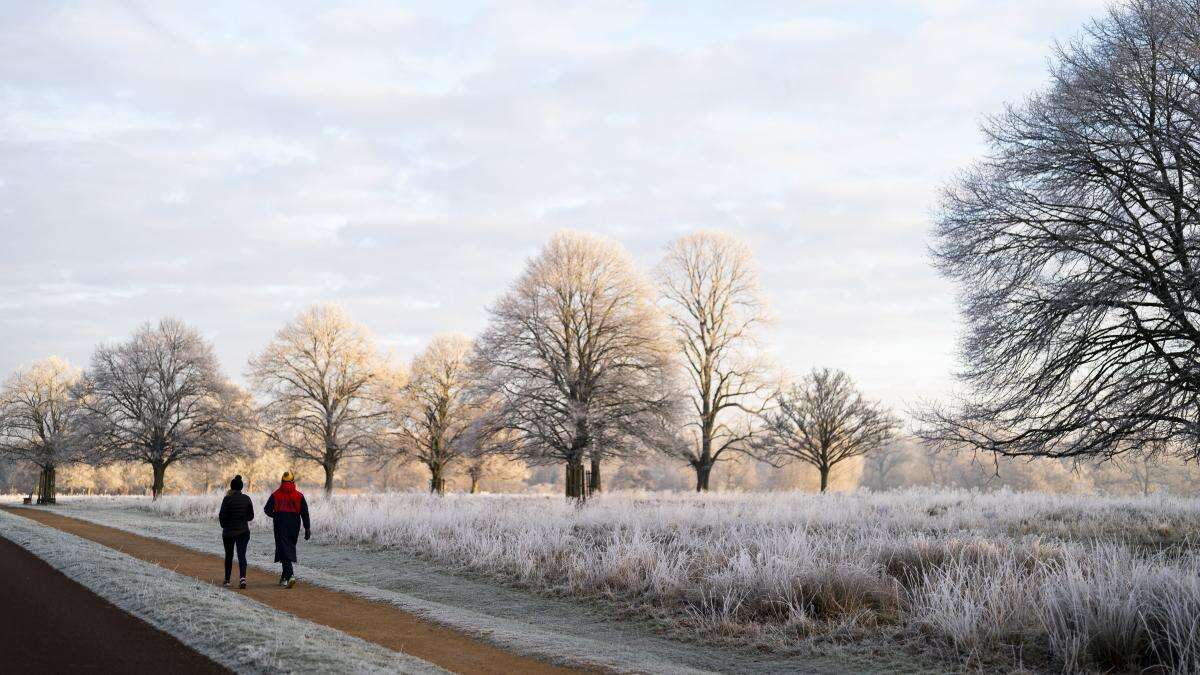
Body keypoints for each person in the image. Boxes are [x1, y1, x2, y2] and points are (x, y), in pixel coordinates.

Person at [263, 471, 310, 588]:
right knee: (288, 548)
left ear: (282, 481)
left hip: (280, 524)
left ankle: (290, 576)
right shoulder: (299, 496)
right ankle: (284, 578)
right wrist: (307, 528)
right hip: (294, 525)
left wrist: (276, 515)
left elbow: (267, 509)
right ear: (293, 481)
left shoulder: (276, 494)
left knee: (284, 549)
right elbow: (305, 513)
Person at [217, 474, 254, 589]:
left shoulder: (227, 499)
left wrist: (224, 525)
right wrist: (243, 520)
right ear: (241, 487)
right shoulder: (247, 499)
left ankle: (227, 580)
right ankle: (242, 578)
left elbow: (221, 515)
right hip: (243, 531)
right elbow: (251, 516)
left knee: (229, 555)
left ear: (232, 487)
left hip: (228, 532)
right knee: (242, 555)